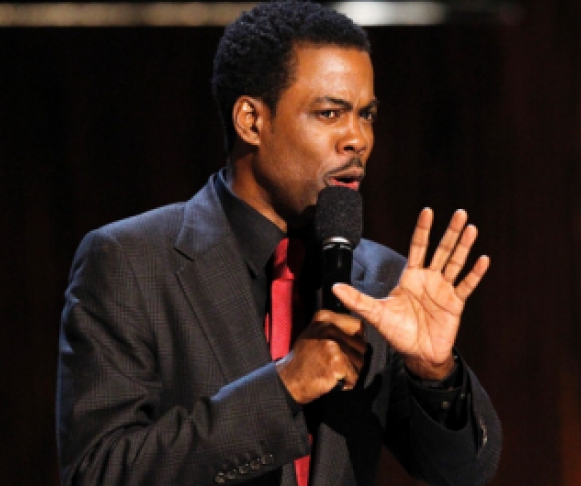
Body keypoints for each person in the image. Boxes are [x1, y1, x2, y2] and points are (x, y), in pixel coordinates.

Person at [56, 1, 502, 485]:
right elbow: (99, 471)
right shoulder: (130, 262)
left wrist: (434, 372)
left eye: (366, 115)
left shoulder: (381, 282)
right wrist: (284, 388)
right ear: (251, 120)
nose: (358, 139)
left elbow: (462, 472)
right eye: (330, 113)